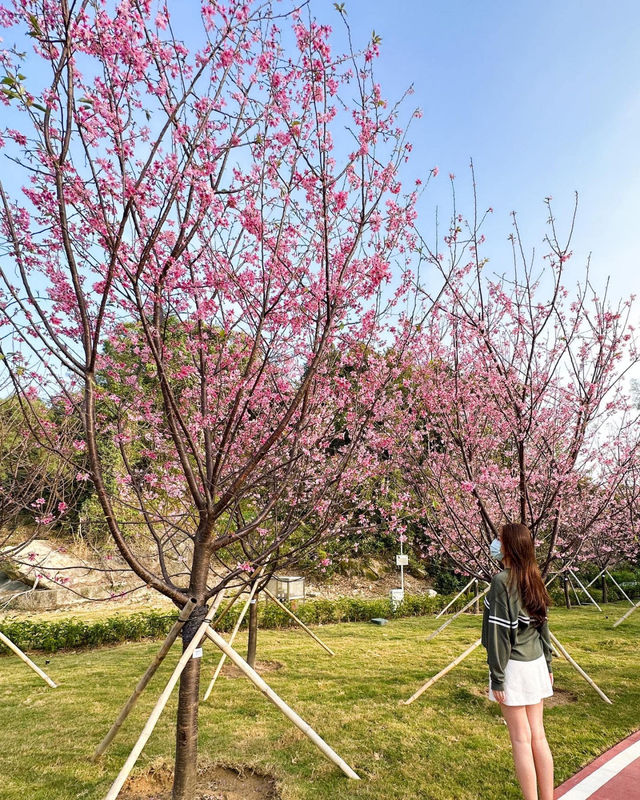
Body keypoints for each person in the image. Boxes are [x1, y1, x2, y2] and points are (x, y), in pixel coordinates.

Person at [481, 523, 554, 800]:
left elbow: (500, 635)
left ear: (509, 546)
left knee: (521, 739)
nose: (495, 543)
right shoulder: (534, 577)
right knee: (539, 736)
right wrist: (547, 664)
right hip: (535, 663)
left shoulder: (502, 582)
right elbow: (543, 627)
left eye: (499, 539)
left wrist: (497, 677)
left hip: (513, 666)